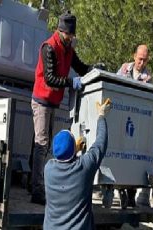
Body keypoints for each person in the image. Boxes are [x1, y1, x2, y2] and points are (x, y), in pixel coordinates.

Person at [31, 10, 103, 205]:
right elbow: (50, 78)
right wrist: (72, 82)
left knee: (45, 145)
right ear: (61, 31)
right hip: (42, 100)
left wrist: (95, 69)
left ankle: (39, 182)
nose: (71, 38)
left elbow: (80, 67)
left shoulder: (68, 48)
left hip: (53, 101)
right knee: (42, 144)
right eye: (69, 35)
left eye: (72, 36)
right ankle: (37, 191)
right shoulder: (49, 47)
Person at [43, 99, 111, 230]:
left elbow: (61, 158)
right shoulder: (84, 166)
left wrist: (74, 150)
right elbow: (101, 142)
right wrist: (101, 115)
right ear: (73, 149)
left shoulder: (49, 169)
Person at [116, 44, 152, 208]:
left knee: (133, 158)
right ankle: (120, 191)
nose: (141, 62)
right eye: (139, 59)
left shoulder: (148, 77)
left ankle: (131, 195)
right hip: (121, 116)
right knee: (119, 155)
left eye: (145, 60)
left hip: (136, 121)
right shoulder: (124, 69)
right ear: (134, 56)